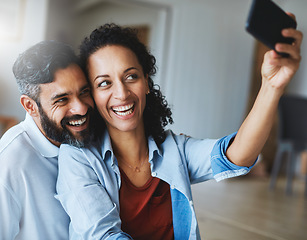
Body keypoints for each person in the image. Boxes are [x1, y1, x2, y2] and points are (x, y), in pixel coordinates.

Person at [56, 18, 303, 240]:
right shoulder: (78, 156)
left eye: (131, 76)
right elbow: (104, 236)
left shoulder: (174, 150)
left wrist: (271, 87)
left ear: (146, 83)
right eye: (104, 83)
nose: (121, 93)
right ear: (92, 96)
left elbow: (237, 155)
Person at [0, 40, 97, 239]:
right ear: (30, 106)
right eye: (62, 99)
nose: (81, 108)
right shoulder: (9, 163)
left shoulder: (90, 136)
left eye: (84, 92)